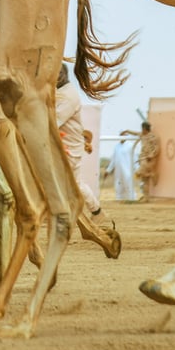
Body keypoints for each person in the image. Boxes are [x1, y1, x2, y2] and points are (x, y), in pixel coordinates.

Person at [56, 64, 113, 228]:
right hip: (64, 146)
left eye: (60, 73)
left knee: (72, 183)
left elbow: (54, 120)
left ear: (66, 75)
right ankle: (95, 211)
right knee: (74, 183)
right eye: (56, 72)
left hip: (69, 148)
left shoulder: (68, 96)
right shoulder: (60, 93)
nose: (57, 76)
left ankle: (95, 212)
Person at [133, 120, 161, 200]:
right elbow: (135, 133)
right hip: (143, 158)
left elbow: (157, 148)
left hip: (149, 159)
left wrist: (151, 155)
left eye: (142, 129)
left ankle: (152, 174)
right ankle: (146, 197)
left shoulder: (153, 137)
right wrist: (127, 131)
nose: (142, 130)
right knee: (144, 179)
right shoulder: (142, 135)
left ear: (145, 129)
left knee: (139, 173)